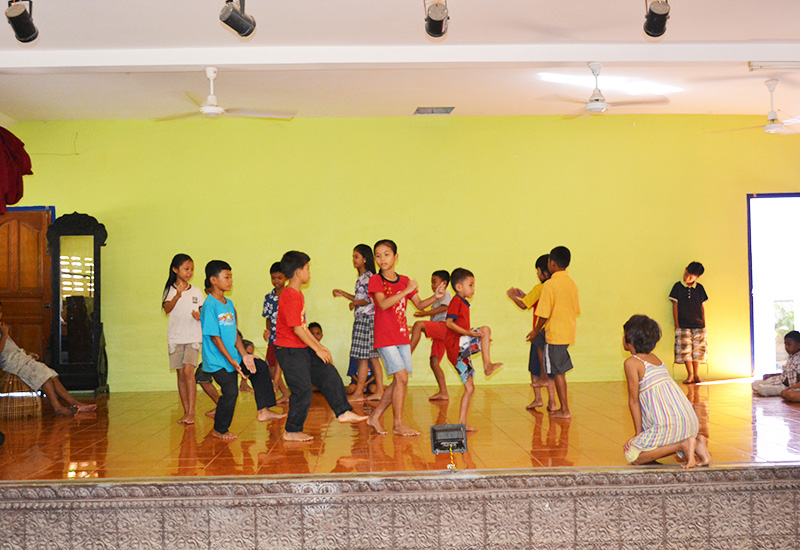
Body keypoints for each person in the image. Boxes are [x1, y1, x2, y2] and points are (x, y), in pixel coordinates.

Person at [274, 251, 367, 442]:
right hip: (289, 350)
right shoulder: (290, 295)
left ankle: (343, 412)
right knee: (303, 389)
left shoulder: (297, 294)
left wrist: (320, 346)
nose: (309, 272)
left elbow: (303, 327)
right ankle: (291, 430)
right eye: (308, 268)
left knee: (328, 372)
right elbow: (297, 329)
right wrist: (316, 348)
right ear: (299, 272)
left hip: (300, 347)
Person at [366, 239, 445, 436]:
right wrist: (406, 291)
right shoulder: (376, 280)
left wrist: (435, 296)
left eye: (386, 254)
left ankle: (375, 416)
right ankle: (398, 424)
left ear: (396, 257)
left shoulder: (404, 280)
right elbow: (383, 304)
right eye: (378, 255)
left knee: (399, 381)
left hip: (401, 337)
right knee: (400, 378)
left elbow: (419, 305)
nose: (382, 259)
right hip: (385, 338)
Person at [200, 260, 286, 441]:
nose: (231, 281)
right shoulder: (210, 305)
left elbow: (234, 334)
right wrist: (232, 361)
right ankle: (219, 429)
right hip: (218, 361)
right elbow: (215, 337)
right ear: (214, 280)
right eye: (227, 277)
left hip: (234, 356)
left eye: (231, 277)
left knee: (260, 367)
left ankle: (264, 410)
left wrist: (244, 355)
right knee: (231, 391)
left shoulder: (228, 303)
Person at [622, 314, 711, 468]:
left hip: (671, 425)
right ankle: (698, 444)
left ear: (630, 339)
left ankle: (682, 445)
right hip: (691, 424)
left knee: (633, 455)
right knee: (653, 447)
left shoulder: (632, 363)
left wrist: (638, 434)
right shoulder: (656, 359)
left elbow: (634, 400)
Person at [0, 301, 96, 416]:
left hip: (20, 358)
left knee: (51, 375)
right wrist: (5, 335)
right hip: (12, 363)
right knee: (44, 375)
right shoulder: (3, 331)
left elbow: (10, 348)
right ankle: (57, 407)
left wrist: (27, 353)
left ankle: (74, 402)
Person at [444, 268, 502, 431]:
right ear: (459, 287)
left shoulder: (463, 303)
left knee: (470, 388)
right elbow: (449, 323)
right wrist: (469, 333)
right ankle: (487, 365)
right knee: (485, 329)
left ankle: (462, 422)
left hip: (459, 353)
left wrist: (478, 339)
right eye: (470, 285)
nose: (473, 288)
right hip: (456, 345)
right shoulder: (456, 301)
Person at [530, 246, 580, 419]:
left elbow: (543, 314)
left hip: (555, 334)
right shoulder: (571, 282)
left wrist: (536, 330)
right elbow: (575, 309)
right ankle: (544, 376)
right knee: (537, 342)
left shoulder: (550, 284)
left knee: (558, 372)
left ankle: (564, 410)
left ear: (551, 263)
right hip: (567, 331)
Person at [332, 244, 385, 402]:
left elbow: (369, 299)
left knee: (363, 358)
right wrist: (345, 295)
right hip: (368, 319)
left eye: (356, 256)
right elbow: (361, 298)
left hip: (365, 320)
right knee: (372, 357)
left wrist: (355, 304)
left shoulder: (368, 277)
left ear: (365, 259)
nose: (353, 260)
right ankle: (379, 390)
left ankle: (359, 393)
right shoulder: (363, 277)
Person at [507, 254, 557, 411]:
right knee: (551, 371)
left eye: (538, 271)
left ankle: (538, 399)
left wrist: (512, 296)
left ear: (544, 272)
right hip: (553, 334)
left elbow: (523, 305)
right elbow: (530, 300)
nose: (537, 274)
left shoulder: (540, 288)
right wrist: (525, 296)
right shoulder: (554, 288)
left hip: (539, 334)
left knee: (534, 368)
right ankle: (553, 402)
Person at [162, 253, 204, 425]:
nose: (189, 272)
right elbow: (167, 309)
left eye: (192, 269)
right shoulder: (169, 290)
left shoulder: (196, 291)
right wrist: (177, 295)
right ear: (175, 269)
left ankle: (192, 412)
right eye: (186, 269)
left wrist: (199, 315)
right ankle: (186, 411)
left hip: (193, 337)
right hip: (176, 338)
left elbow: (204, 312)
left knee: (188, 372)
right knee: (180, 375)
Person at [409, 270, 452, 401]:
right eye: (431, 282)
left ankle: (407, 353)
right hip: (440, 333)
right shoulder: (437, 298)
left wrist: (424, 313)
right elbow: (431, 323)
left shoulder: (445, 294)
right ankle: (443, 392)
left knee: (419, 324)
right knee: (434, 362)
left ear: (443, 283)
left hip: (444, 327)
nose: (432, 285)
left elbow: (445, 308)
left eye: (434, 282)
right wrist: (414, 329)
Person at [669, 261, 709, 384]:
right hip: (683, 324)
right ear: (685, 269)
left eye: (691, 277)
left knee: (698, 350)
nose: (687, 278)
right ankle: (690, 374)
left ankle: (697, 374)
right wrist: (676, 324)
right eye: (686, 274)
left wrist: (704, 323)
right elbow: (675, 306)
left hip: (698, 325)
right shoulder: (677, 287)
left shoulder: (700, 288)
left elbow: (702, 307)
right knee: (685, 350)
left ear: (697, 277)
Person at [262, 261, 290, 403]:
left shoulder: (290, 295)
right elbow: (268, 318)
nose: (276, 281)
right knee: (271, 369)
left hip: (286, 338)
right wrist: (267, 330)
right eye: (273, 278)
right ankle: (285, 393)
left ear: (286, 278)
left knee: (281, 365)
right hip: (273, 337)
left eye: (279, 278)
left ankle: (276, 388)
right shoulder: (269, 298)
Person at [751, 330, 800, 397]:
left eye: (789, 344)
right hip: (779, 380)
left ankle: (763, 388)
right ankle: (763, 386)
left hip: (786, 387)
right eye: (785, 344)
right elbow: (785, 373)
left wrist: (792, 388)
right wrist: (771, 375)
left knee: (762, 390)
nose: (786, 347)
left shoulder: (798, 358)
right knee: (755, 383)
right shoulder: (791, 356)